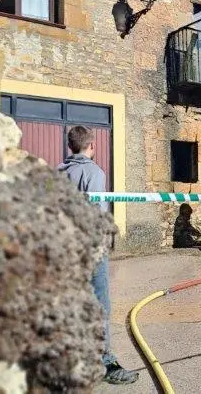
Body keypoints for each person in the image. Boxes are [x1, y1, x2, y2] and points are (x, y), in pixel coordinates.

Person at [57, 126, 138, 385]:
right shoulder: (93, 172)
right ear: (92, 147)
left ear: (71, 146)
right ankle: (105, 363)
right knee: (99, 304)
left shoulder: (58, 172)